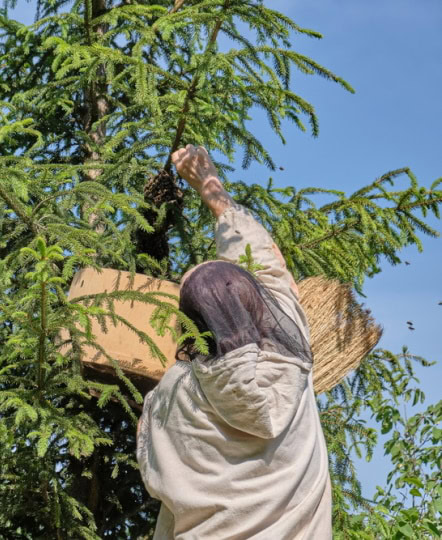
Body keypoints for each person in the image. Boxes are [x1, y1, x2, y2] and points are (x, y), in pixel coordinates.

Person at [136, 145, 332, 539]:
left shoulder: (176, 392)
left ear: (193, 324)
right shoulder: (293, 357)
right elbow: (269, 262)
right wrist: (210, 186)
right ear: (255, 303)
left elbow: (154, 471)